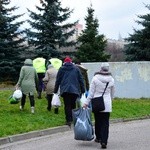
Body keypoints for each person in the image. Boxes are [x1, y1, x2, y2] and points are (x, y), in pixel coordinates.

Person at [83, 62, 115, 149]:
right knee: (105, 123)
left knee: (98, 120)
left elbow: (91, 93)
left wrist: (86, 103)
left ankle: (98, 137)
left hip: (97, 102)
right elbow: (112, 93)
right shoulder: (111, 79)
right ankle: (104, 141)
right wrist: (110, 100)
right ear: (108, 69)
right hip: (107, 103)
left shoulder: (95, 78)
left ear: (101, 68)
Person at [54, 56, 85, 127]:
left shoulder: (61, 69)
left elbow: (58, 80)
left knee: (67, 105)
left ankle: (68, 120)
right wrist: (83, 89)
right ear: (71, 62)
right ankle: (74, 119)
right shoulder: (76, 69)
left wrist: (55, 91)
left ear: (64, 62)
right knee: (73, 105)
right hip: (74, 90)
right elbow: (81, 79)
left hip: (65, 90)